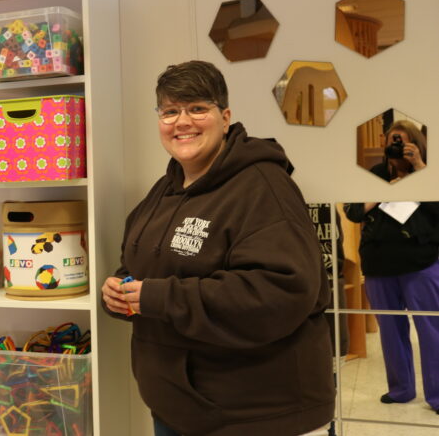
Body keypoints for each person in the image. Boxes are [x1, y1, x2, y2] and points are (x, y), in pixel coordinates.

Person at [101, 61, 335, 436]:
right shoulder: (162, 192)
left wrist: (158, 297)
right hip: (178, 409)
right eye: (170, 111)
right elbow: (145, 269)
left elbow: (282, 289)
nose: (182, 121)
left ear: (225, 117)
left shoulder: (263, 186)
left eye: (197, 108)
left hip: (257, 416)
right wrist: (120, 289)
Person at [343, 122, 439, 414]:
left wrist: (420, 169)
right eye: (393, 143)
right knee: (390, 330)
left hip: (421, 263)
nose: (397, 148)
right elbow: (353, 211)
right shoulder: (374, 175)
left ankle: (437, 396)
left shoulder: (429, 173)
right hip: (378, 264)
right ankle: (401, 389)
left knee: (431, 329)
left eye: (404, 143)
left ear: (417, 145)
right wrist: (381, 192)